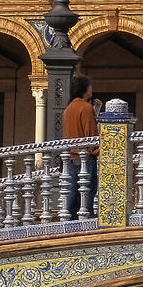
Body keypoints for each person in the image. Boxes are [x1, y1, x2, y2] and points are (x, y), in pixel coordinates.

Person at [61, 74, 100, 217]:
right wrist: (99, 151)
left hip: (71, 156)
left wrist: (96, 110)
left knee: (72, 192)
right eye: (89, 85)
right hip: (86, 158)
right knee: (88, 191)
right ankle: (86, 220)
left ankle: (70, 222)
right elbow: (91, 135)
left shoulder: (69, 108)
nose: (91, 88)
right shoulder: (86, 108)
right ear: (84, 88)